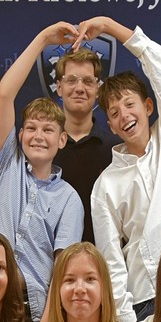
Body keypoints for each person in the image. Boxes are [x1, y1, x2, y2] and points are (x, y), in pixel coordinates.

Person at [87, 16, 161, 322]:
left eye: (129, 104)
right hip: (144, 300)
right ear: (111, 126)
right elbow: (110, 258)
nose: (124, 115)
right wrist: (125, 321)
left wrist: (108, 26)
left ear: (148, 107)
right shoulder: (106, 185)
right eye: (114, 112)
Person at [0, 23, 84, 322]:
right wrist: (42, 40)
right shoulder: (7, 164)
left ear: (62, 139)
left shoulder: (69, 199)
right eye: (31, 128)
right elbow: (4, 94)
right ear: (20, 135)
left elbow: (63, 270)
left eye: (48, 130)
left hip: (33, 311)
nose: (38, 136)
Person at [51, 46, 119, 244]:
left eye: (88, 81)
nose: (79, 88)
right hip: (51, 258)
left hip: (104, 257)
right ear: (59, 87)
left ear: (98, 89)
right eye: (71, 80)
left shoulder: (116, 150)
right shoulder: (43, 148)